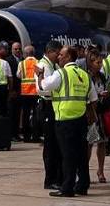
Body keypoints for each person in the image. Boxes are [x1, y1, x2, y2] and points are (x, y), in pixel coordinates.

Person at [37, 46, 97, 197]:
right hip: (81, 120)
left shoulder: (61, 73)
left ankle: (67, 187)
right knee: (82, 155)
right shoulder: (84, 75)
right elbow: (93, 99)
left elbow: (43, 87)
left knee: (67, 156)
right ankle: (83, 185)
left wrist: (39, 75)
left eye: (62, 55)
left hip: (64, 120)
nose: (59, 57)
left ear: (69, 57)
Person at [36, 40, 63, 190]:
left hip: (55, 106)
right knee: (50, 145)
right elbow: (41, 89)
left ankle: (58, 176)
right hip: (47, 105)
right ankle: (50, 179)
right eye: (57, 53)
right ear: (49, 51)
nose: (58, 56)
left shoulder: (55, 65)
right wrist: (57, 89)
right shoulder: (41, 66)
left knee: (56, 144)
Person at [86, 49, 108, 183]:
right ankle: (85, 170)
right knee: (89, 144)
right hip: (90, 114)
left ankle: (101, 170)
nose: (99, 65)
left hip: (101, 113)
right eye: (97, 62)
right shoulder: (85, 76)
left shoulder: (102, 77)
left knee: (102, 143)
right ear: (91, 62)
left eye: (101, 62)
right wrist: (98, 96)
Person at [18, 44, 39, 142]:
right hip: (36, 92)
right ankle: (35, 136)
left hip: (25, 92)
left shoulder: (21, 64)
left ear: (25, 54)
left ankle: (26, 136)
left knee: (25, 115)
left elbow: (18, 75)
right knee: (36, 114)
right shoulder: (38, 62)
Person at [3, 41, 23, 141]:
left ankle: (16, 133)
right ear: (11, 50)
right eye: (15, 49)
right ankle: (11, 134)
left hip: (21, 90)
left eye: (19, 49)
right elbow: (9, 77)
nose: (18, 50)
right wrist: (11, 90)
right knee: (11, 113)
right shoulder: (8, 60)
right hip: (12, 90)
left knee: (18, 113)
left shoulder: (22, 60)